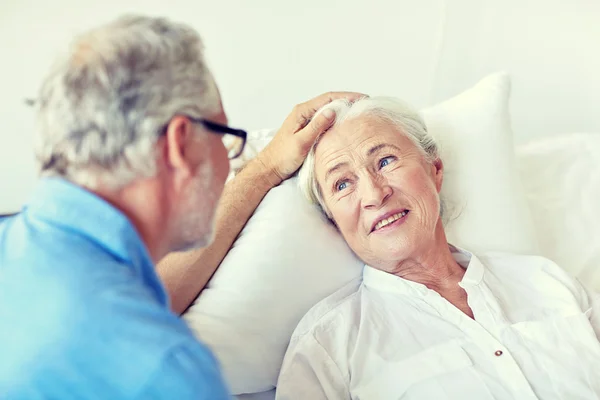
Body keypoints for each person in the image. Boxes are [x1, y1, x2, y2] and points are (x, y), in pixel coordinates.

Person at [0, 14, 361, 399]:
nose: (227, 160)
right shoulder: (168, 372)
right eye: (225, 135)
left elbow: (143, 296)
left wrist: (268, 166)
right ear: (180, 142)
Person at [276, 96, 600, 399]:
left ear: (435, 169)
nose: (374, 195)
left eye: (385, 160)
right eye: (342, 184)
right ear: (333, 220)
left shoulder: (544, 280)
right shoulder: (328, 346)